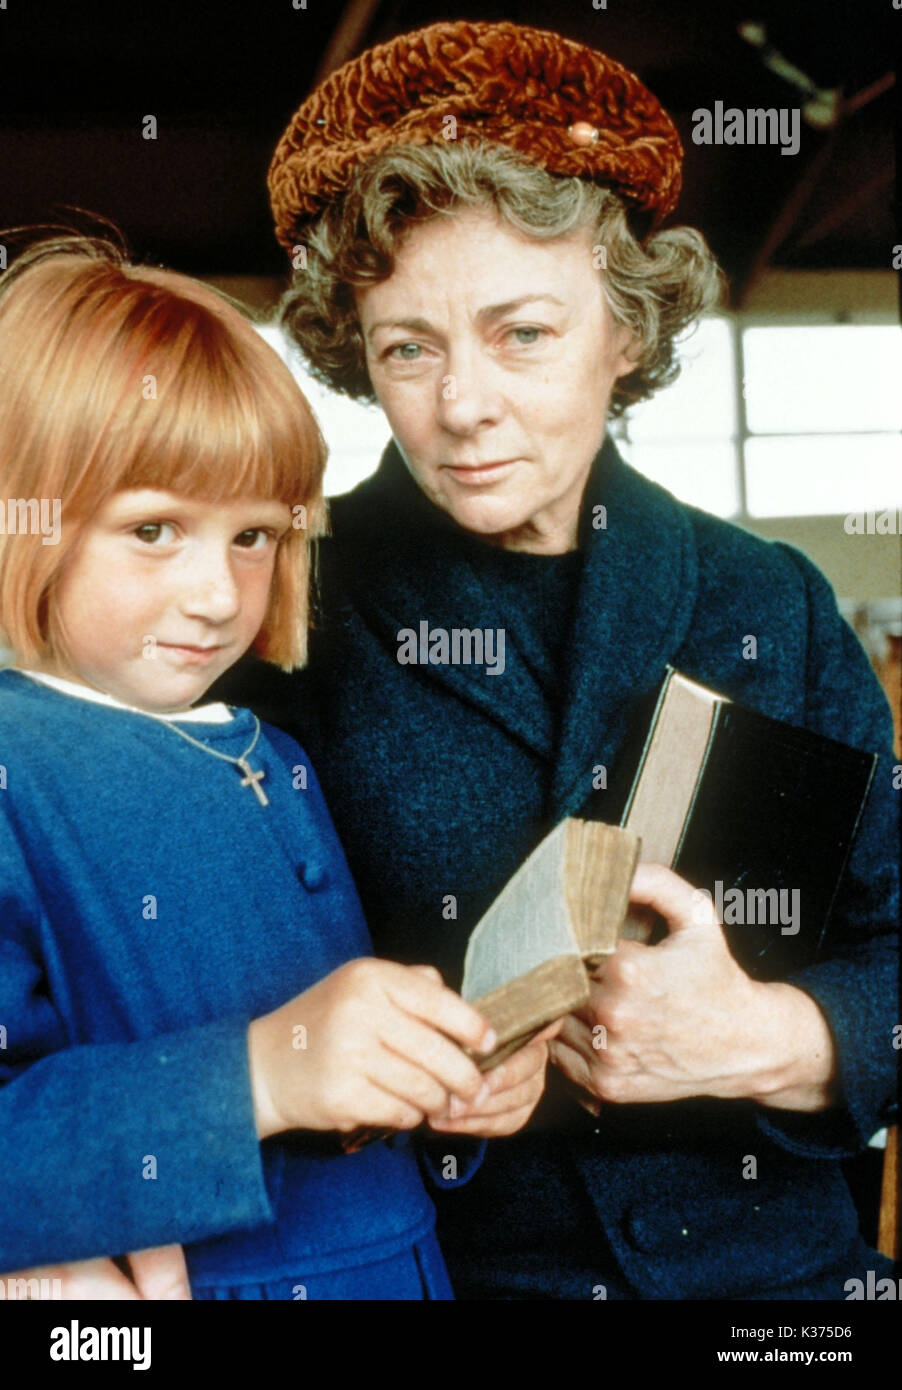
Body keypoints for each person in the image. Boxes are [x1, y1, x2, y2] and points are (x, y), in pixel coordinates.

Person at [35, 18, 899, 1301]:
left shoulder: (763, 598)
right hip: (444, 1276)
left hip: (780, 1283)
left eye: (524, 335)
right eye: (408, 348)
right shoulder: (270, 608)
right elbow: (115, 981)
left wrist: (778, 1035)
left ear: (626, 329)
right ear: (354, 354)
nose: (463, 405)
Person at [0, 234, 555, 1300]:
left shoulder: (272, 751)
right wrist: (260, 1073)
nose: (216, 591)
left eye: (254, 536)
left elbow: (335, 1072)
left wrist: (433, 1073)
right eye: (154, 528)